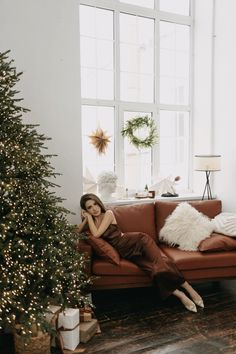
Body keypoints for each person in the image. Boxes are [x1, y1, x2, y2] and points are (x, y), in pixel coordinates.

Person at [77, 193, 204, 313]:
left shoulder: (108, 214)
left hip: (139, 241)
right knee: (152, 270)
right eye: (89, 207)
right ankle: (180, 294)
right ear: (86, 210)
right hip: (127, 253)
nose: (94, 209)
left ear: (99, 203)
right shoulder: (93, 222)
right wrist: (86, 219)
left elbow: (96, 234)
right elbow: (77, 232)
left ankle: (189, 290)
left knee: (161, 266)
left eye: (95, 204)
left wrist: (88, 218)